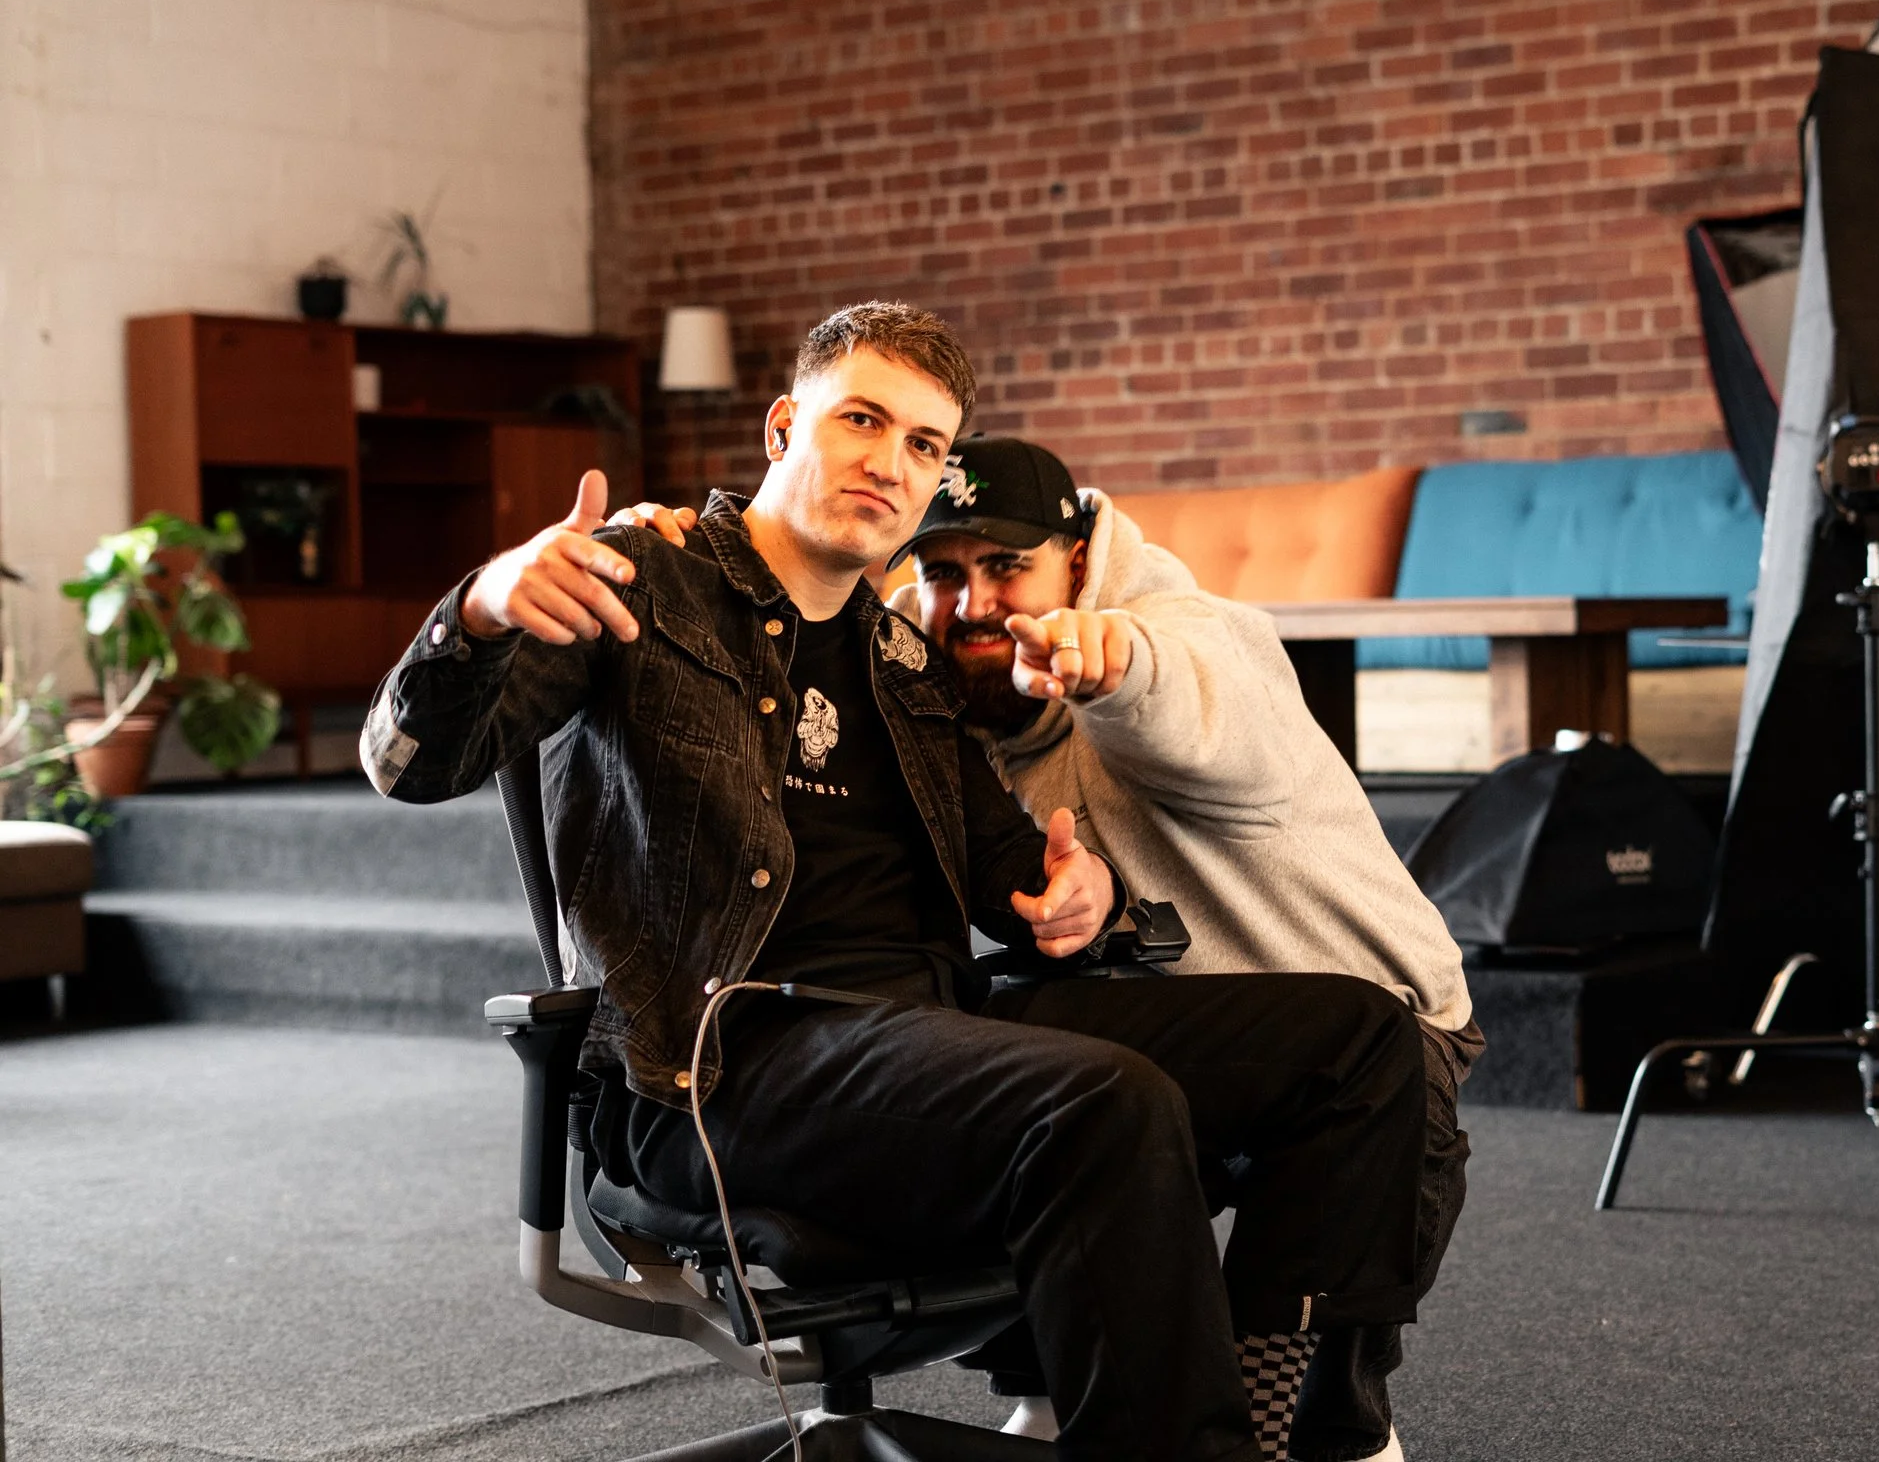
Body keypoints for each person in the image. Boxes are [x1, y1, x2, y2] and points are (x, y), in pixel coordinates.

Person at [363, 301, 1427, 1462]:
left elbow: (1018, 877)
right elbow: (407, 763)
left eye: (925, 443)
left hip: (921, 1032)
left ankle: (1290, 1433)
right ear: (783, 428)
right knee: (1102, 1101)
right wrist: (480, 608)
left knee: (1362, 1037)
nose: (891, 461)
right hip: (725, 1064)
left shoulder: (903, 659)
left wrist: (1087, 901)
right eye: (862, 419)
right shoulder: (637, 581)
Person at [615, 434, 1478, 1462]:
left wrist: (1112, 663)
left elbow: (1197, 705)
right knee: (1048, 1072)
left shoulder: (1186, 635)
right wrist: (669, 549)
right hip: (1120, 1001)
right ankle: (1064, 1380)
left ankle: (1299, 1415)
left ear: (1077, 554)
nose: (975, 602)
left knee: (1365, 1064)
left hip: (1362, 1006)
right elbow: (794, 616)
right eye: (942, 573)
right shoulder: (916, 670)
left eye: (1006, 566)